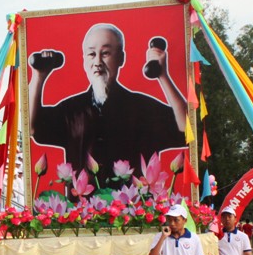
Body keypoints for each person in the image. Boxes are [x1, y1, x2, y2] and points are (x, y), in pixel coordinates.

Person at [28, 23, 188, 183]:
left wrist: (163, 75)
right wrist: (39, 76)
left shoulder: (144, 108)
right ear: (84, 60)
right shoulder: (71, 109)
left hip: (136, 205)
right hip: (82, 206)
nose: (97, 61)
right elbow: (32, 127)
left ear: (121, 58)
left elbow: (187, 130)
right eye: (91, 54)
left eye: (105, 53)